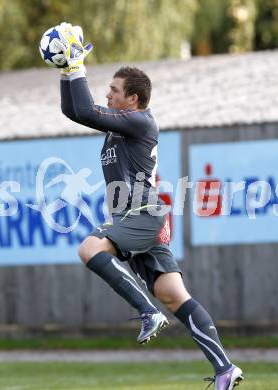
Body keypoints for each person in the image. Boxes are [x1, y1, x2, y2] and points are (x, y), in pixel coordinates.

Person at [56, 23, 243, 390]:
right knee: (174, 294)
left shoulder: (140, 122)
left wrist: (76, 65)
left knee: (89, 247)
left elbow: (84, 110)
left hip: (141, 213)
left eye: (114, 90)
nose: (107, 95)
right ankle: (225, 369)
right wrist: (67, 71)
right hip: (138, 214)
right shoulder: (123, 126)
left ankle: (146, 312)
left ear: (134, 100)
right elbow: (74, 110)